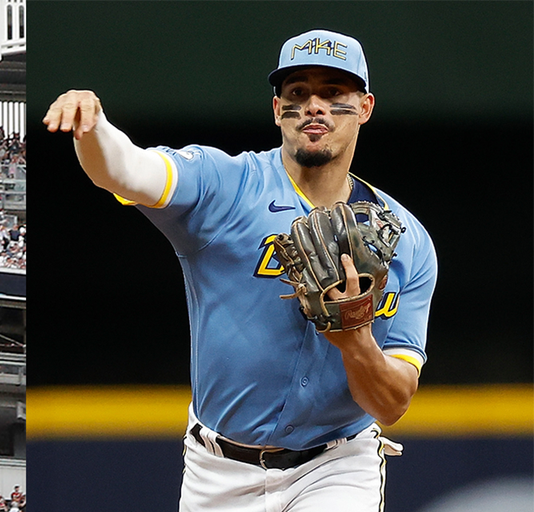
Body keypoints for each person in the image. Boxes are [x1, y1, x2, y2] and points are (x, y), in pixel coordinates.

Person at [44, 29, 437, 510]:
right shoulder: (225, 186)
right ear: (277, 111)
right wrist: (95, 126)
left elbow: (393, 404)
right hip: (217, 472)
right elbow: (127, 170)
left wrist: (356, 340)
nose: (314, 106)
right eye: (297, 93)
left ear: (365, 108)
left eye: (333, 93)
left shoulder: (406, 242)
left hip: (337, 466)